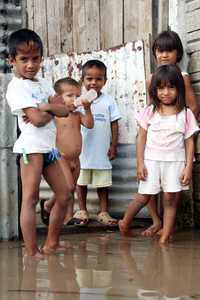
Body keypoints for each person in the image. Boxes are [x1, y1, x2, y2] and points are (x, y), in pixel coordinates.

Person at [6, 28, 75, 258]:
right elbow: (35, 120)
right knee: (31, 198)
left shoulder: (44, 84)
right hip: (30, 149)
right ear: (12, 61)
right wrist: (48, 109)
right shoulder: (16, 87)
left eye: (35, 59)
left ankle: (52, 243)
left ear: (41, 59)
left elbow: (64, 110)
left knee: (64, 195)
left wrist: (46, 108)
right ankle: (31, 250)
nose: (30, 65)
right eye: (23, 59)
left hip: (49, 149)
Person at [119, 64, 199, 244]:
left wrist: (188, 166)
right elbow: (141, 139)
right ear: (154, 90)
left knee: (170, 198)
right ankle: (124, 222)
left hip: (175, 163)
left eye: (171, 87)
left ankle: (165, 237)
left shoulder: (186, 114)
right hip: (151, 162)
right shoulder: (150, 111)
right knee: (144, 196)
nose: (166, 92)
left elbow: (189, 141)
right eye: (161, 88)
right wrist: (140, 163)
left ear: (179, 89)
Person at [143, 30, 199, 237]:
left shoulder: (181, 77)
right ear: (154, 53)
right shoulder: (153, 78)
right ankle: (157, 221)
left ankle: (168, 225)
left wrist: (177, 124)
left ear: (179, 53)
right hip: (154, 137)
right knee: (148, 184)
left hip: (176, 137)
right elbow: (151, 108)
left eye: (169, 50)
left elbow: (193, 106)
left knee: (171, 187)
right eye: (160, 50)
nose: (164, 55)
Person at [40, 77, 94, 226]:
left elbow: (89, 125)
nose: (74, 99)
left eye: (77, 96)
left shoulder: (77, 115)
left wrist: (88, 108)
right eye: (70, 96)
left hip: (76, 159)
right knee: (68, 187)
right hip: (60, 157)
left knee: (70, 190)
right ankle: (49, 205)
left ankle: (68, 217)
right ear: (58, 98)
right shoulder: (56, 116)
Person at [74, 60, 121, 225]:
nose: (94, 82)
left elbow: (114, 123)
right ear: (82, 80)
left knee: (103, 184)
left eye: (99, 79)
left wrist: (114, 145)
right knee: (81, 182)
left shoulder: (109, 101)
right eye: (89, 78)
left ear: (105, 81)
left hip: (102, 151)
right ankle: (82, 211)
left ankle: (103, 212)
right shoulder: (79, 101)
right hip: (83, 151)